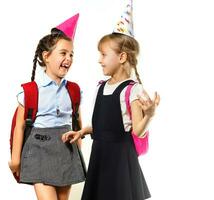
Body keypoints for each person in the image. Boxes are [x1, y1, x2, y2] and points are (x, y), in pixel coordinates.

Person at [62, 2, 160, 199]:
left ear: (122, 57)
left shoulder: (133, 89)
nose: (99, 59)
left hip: (121, 161)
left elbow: (137, 130)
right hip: (100, 156)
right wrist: (83, 131)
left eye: (104, 55)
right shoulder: (101, 86)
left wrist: (150, 114)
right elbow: (103, 125)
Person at [9, 13, 86, 200]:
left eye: (71, 54)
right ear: (46, 56)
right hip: (39, 151)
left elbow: (77, 121)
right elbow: (20, 125)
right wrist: (16, 158)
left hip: (65, 150)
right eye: (63, 53)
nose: (68, 58)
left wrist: (77, 149)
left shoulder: (74, 90)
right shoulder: (30, 91)